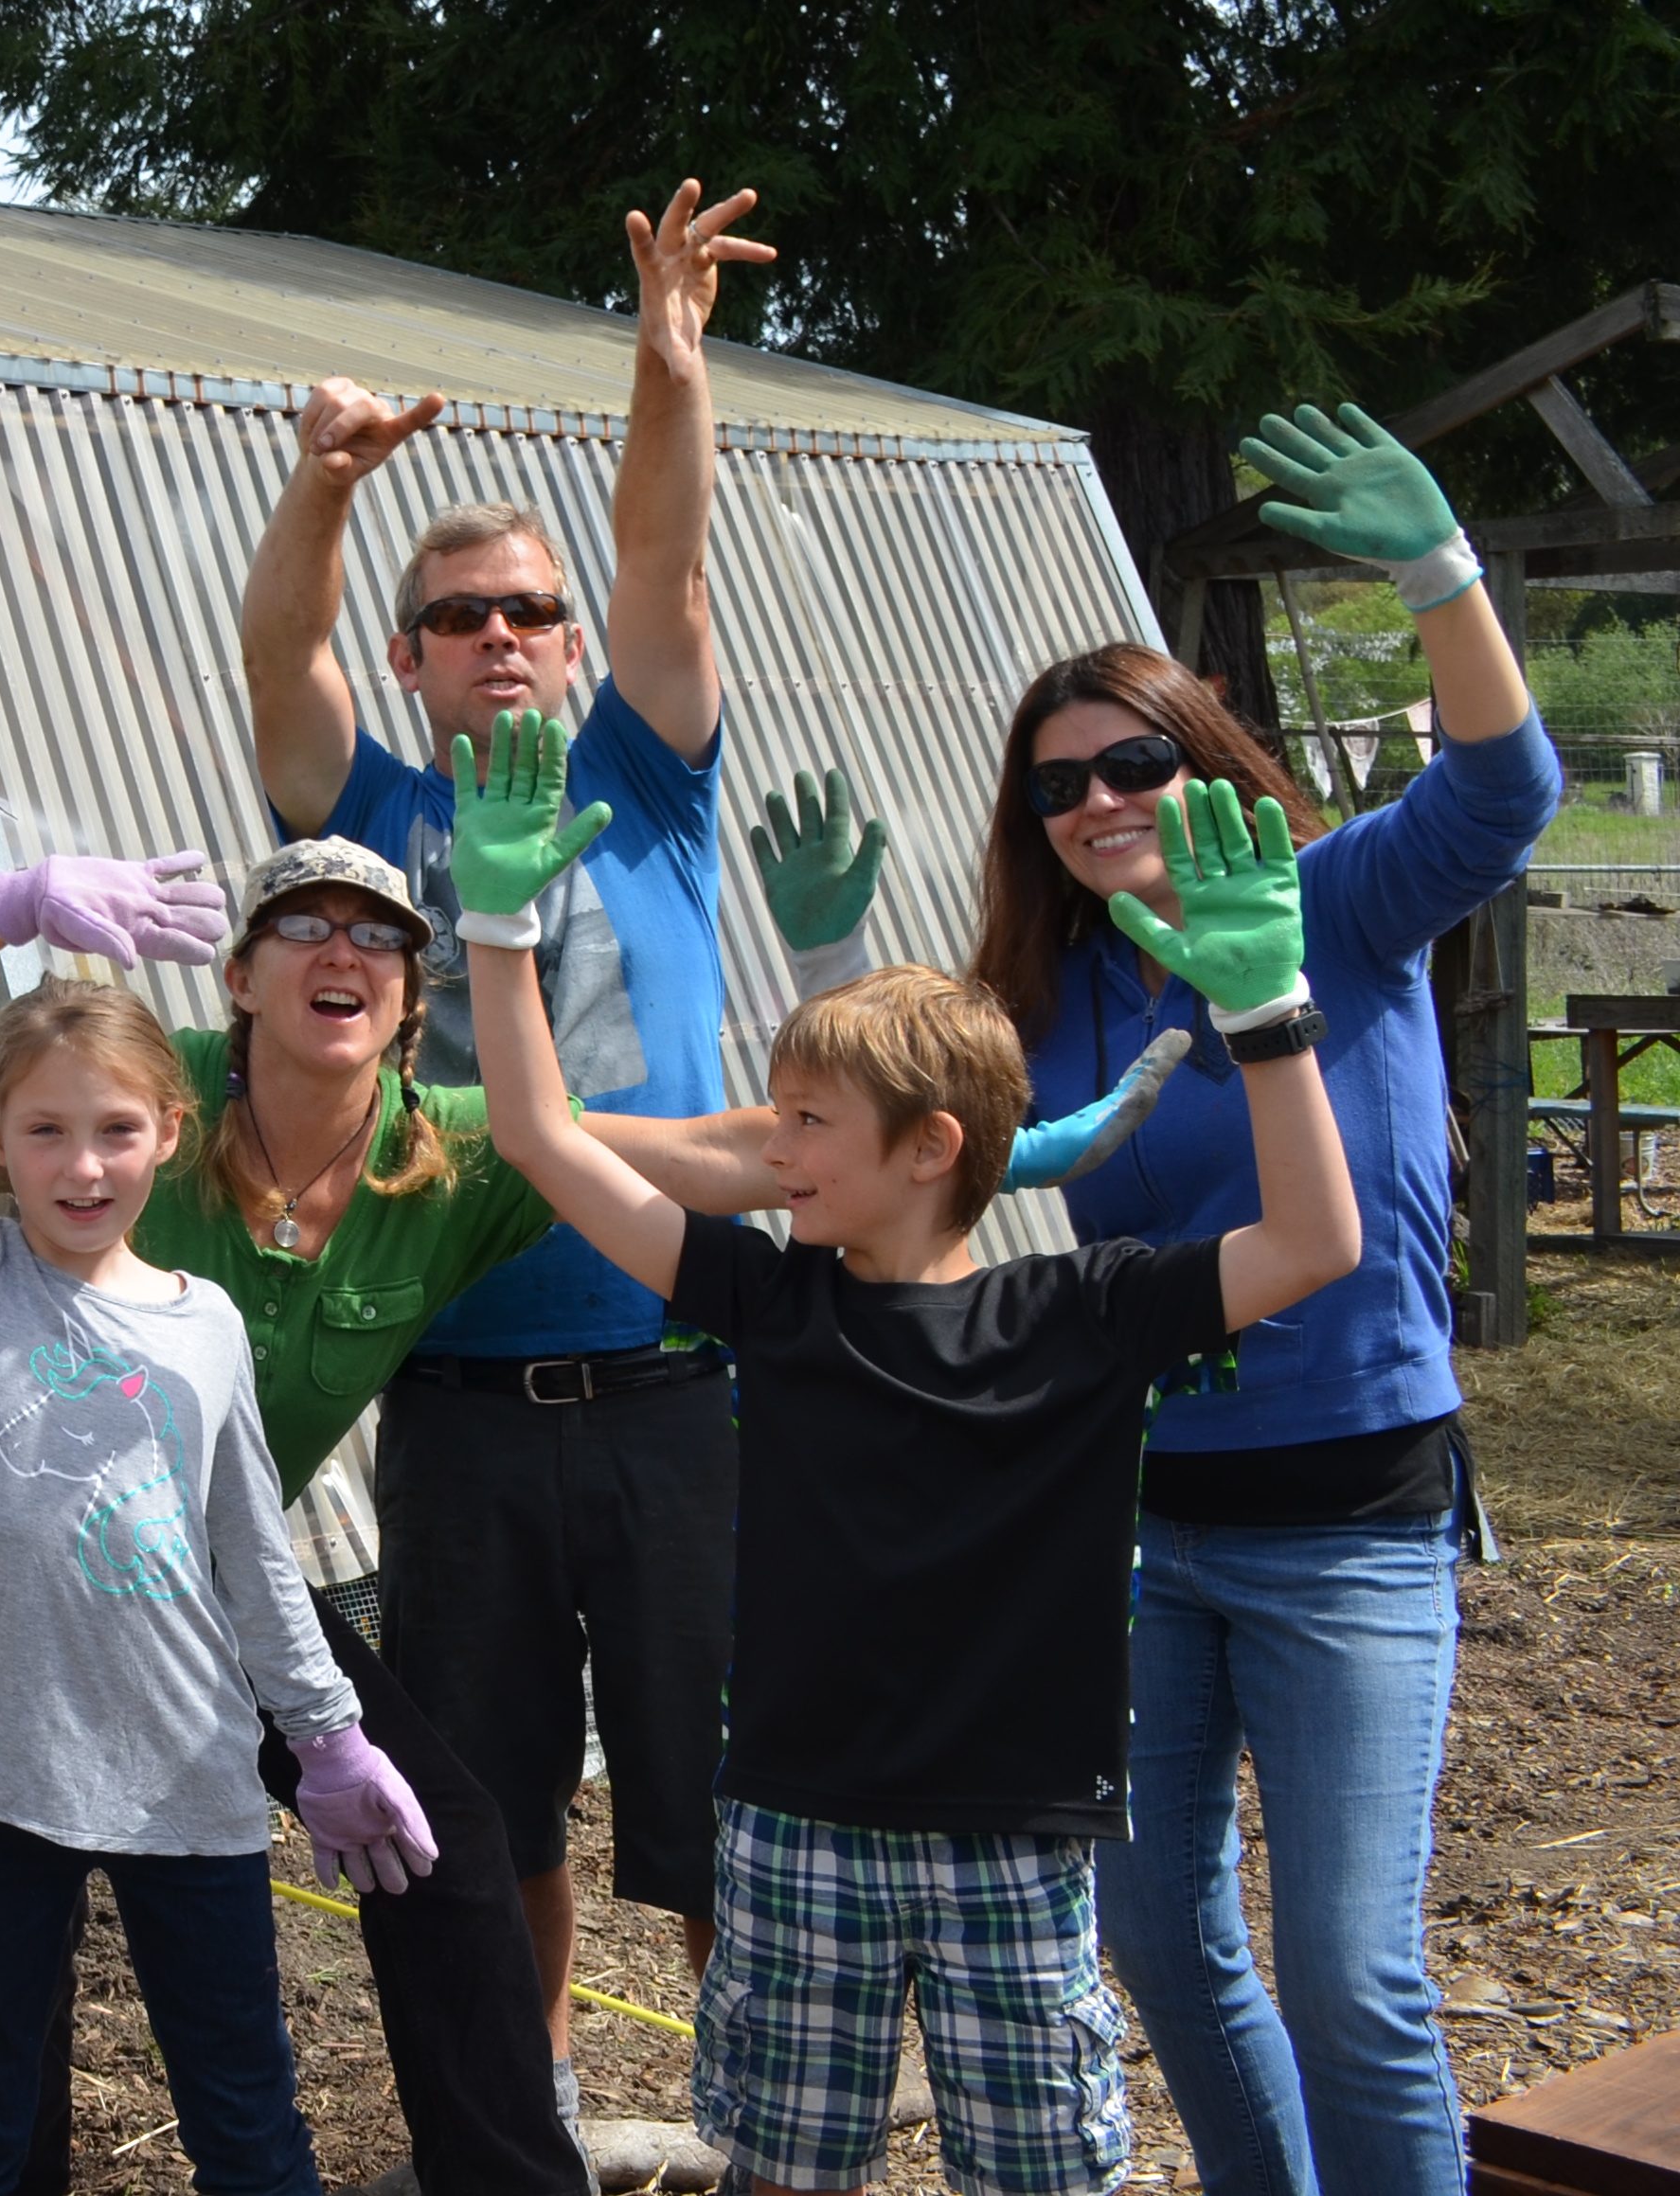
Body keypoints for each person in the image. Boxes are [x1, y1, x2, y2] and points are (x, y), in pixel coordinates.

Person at [453, 714, 1362, 2196]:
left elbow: (1320, 1241)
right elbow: (540, 1135)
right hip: (800, 1820)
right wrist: (498, 927)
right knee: (783, 2169)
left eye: (807, 1122)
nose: (775, 1149)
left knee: (1040, 2175)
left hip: (1017, 1838)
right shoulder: (769, 1298)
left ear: (932, 1146)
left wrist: (1269, 1022)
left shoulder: (1087, 1308)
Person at [972, 404, 1560, 2196]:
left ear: (1204, 755)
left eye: (1130, 762)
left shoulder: (1330, 899)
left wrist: (1440, 577)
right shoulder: (1050, 991)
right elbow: (916, 1142)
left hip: (1351, 1518)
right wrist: (840, 956)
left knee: (1351, 1977)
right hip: (1137, 1524)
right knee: (1163, 1945)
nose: (1095, 804)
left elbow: (1504, 794)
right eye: (1056, 783)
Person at [239, 182, 770, 2118]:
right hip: (456, 1401)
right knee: (490, 1793)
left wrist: (666, 361)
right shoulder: (371, 809)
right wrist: (322, 488)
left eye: (528, 613)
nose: (500, 636)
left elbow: (666, 558)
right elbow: (273, 654)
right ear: (416, 660)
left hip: (677, 1383)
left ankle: (751, 2120)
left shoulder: (647, 775)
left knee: (719, 1802)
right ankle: (529, 2121)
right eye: (456, 617)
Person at [0, 854, 428, 2196]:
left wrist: (328, 1737)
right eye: (43, 1131)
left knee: (245, 2122)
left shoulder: (202, 1324)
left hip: (188, 1776)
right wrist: (12, 913)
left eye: (113, 1131)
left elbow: (249, 1557)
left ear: (168, 1130)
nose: (80, 1165)